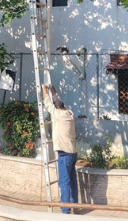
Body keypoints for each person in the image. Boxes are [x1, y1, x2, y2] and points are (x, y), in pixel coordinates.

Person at [43, 84, 78, 214]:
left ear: (57, 108)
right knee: (72, 181)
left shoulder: (57, 115)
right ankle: (74, 205)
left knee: (64, 182)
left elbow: (48, 103)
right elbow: (58, 100)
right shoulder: (69, 114)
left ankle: (65, 210)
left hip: (64, 154)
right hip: (73, 153)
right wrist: (53, 90)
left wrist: (44, 89)